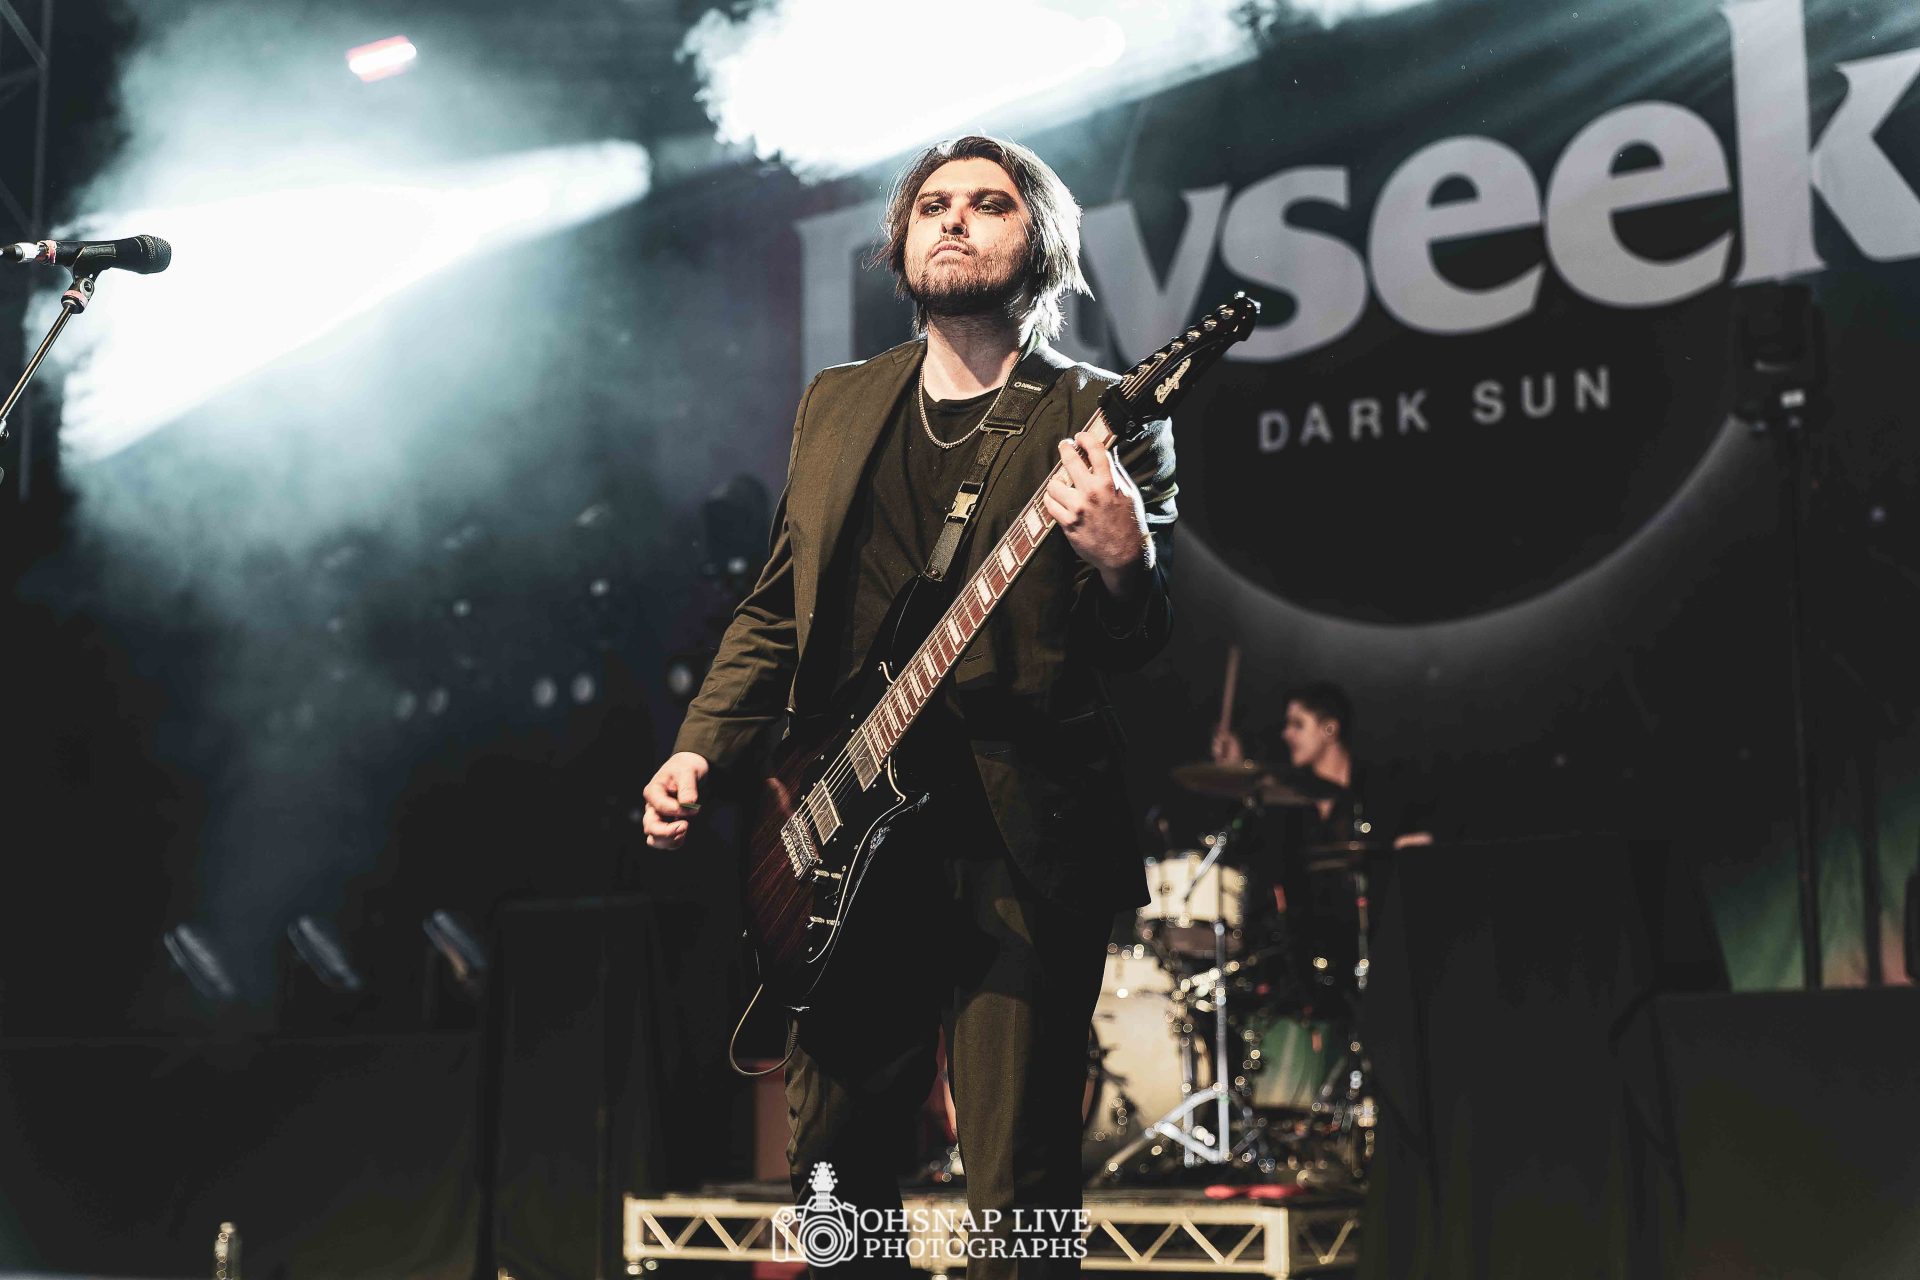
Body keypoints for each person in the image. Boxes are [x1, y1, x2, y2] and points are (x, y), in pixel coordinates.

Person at [641, 134, 1176, 1276]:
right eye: (932, 204)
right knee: (833, 1168)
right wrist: (702, 749)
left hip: (1018, 836)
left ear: (1044, 243)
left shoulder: (1102, 415)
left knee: (1019, 1185)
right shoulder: (838, 405)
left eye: (990, 203)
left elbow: (1137, 645)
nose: (954, 220)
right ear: (900, 243)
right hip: (840, 829)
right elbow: (777, 607)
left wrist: (1126, 560)